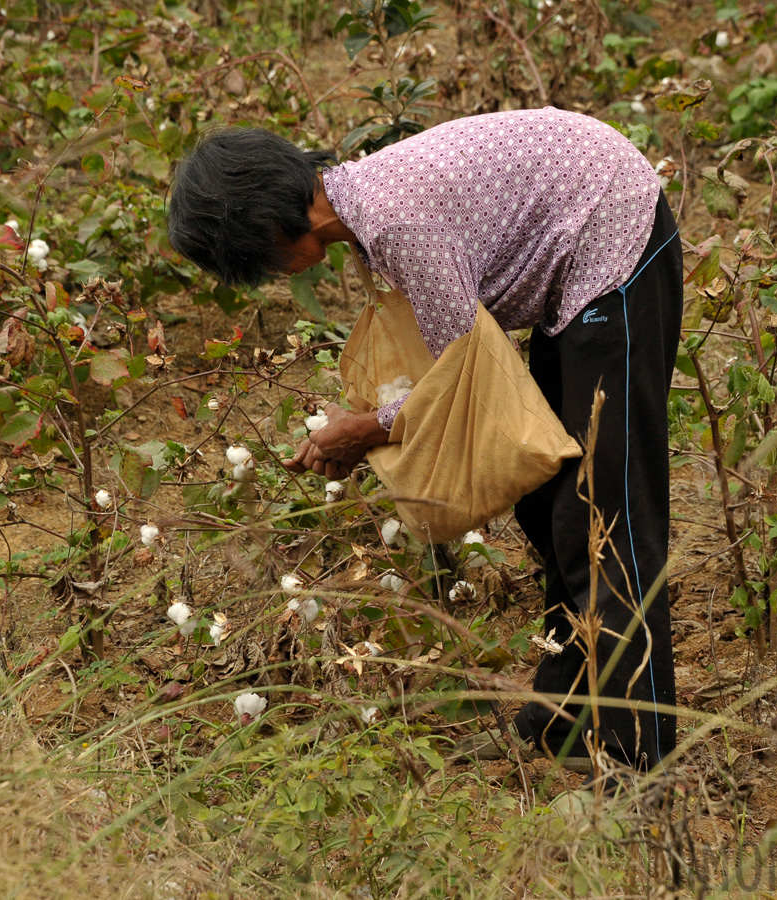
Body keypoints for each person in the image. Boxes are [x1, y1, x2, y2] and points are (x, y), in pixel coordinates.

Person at [167, 107, 681, 771]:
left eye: (250, 263)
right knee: (559, 508)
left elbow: (464, 382)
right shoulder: (362, 210)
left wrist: (366, 430)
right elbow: (456, 368)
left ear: (262, 228)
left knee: (610, 523)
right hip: (578, 249)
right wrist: (368, 424)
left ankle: (639, 761)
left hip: (615, 240)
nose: (267, 276)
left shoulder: (395, 223)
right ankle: (561, 718)